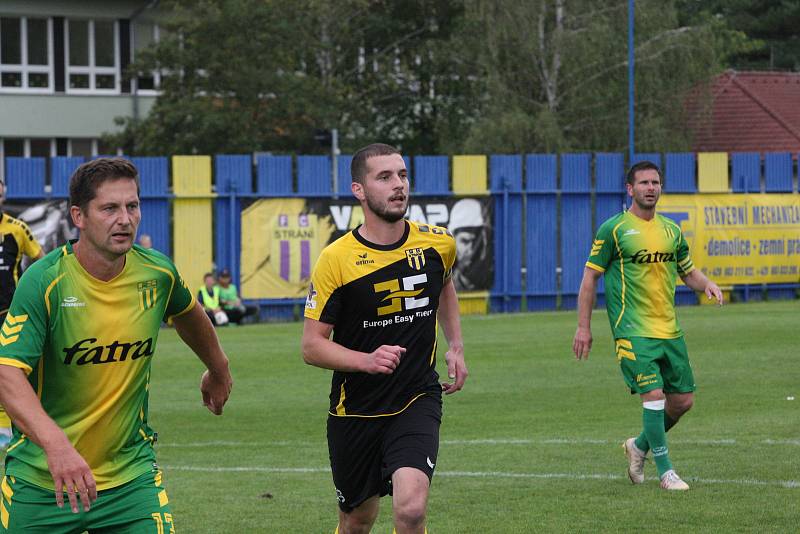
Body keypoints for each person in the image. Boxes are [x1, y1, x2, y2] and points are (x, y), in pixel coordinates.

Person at [0, 157, 233, 532]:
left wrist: (218, 368)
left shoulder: (157, 273)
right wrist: (57, 448)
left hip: (130, 482)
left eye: (132, 206)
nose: (125, 219)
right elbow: (7, 373)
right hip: (42, 482)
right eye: (109, 208)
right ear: (79, 216)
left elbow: (189, 313)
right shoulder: (44, 282)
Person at [302, 143, 468, 534]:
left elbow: (443, 286)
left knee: (411, 509)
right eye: (385, 177)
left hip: (417, 397)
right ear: (359, 190)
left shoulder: (438, 243)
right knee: (358, 520)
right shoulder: (336, 260)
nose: (399, 185)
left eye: (403, 175)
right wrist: (366, 360)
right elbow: (311, 346)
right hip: (355, 410)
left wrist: (456, 346)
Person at [572, 160, 723, 491]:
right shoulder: (614, 229)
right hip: (632, 330)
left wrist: (707, 283)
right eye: (644, 183)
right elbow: (589, 278)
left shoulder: (671, 230)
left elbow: (687, 271)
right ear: (630, 189)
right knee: (653, 395)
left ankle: (637, 446)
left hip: (669, 330)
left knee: (682, 401)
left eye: (655, 182)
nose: (651, 188)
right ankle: (666, 471)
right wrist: (584, 327)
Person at [0, 179, 45, 451]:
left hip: (8, 312)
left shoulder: (17, 229)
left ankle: (7, 426)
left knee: (9, 370)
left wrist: (34, 295)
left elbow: (42, 260)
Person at [447, 198, 490, 291]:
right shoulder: (446, 284)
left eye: (477, 241)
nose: (471, 250)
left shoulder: (493, 277)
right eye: (465, 241)